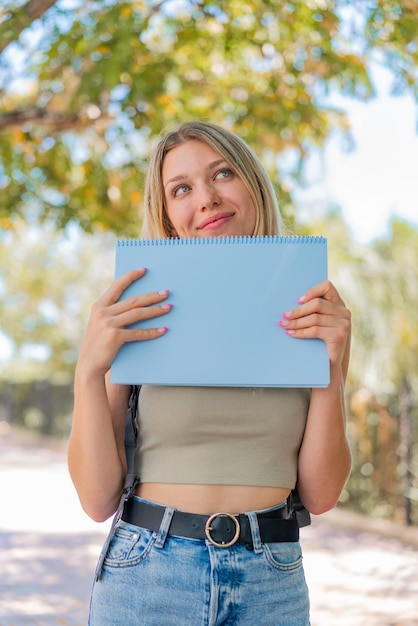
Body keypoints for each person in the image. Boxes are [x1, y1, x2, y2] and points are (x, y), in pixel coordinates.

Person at [68, 121, 352, 626]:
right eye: (181, 188)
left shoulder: (306, 310)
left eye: (222, 174)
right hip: (147, 573)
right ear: (169, 217)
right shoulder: (142, 313)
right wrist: (89, 373)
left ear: (253, 185)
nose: (206, 198)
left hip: (272, 579)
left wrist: (335, 370)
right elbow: (95, 499)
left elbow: (321, 495)